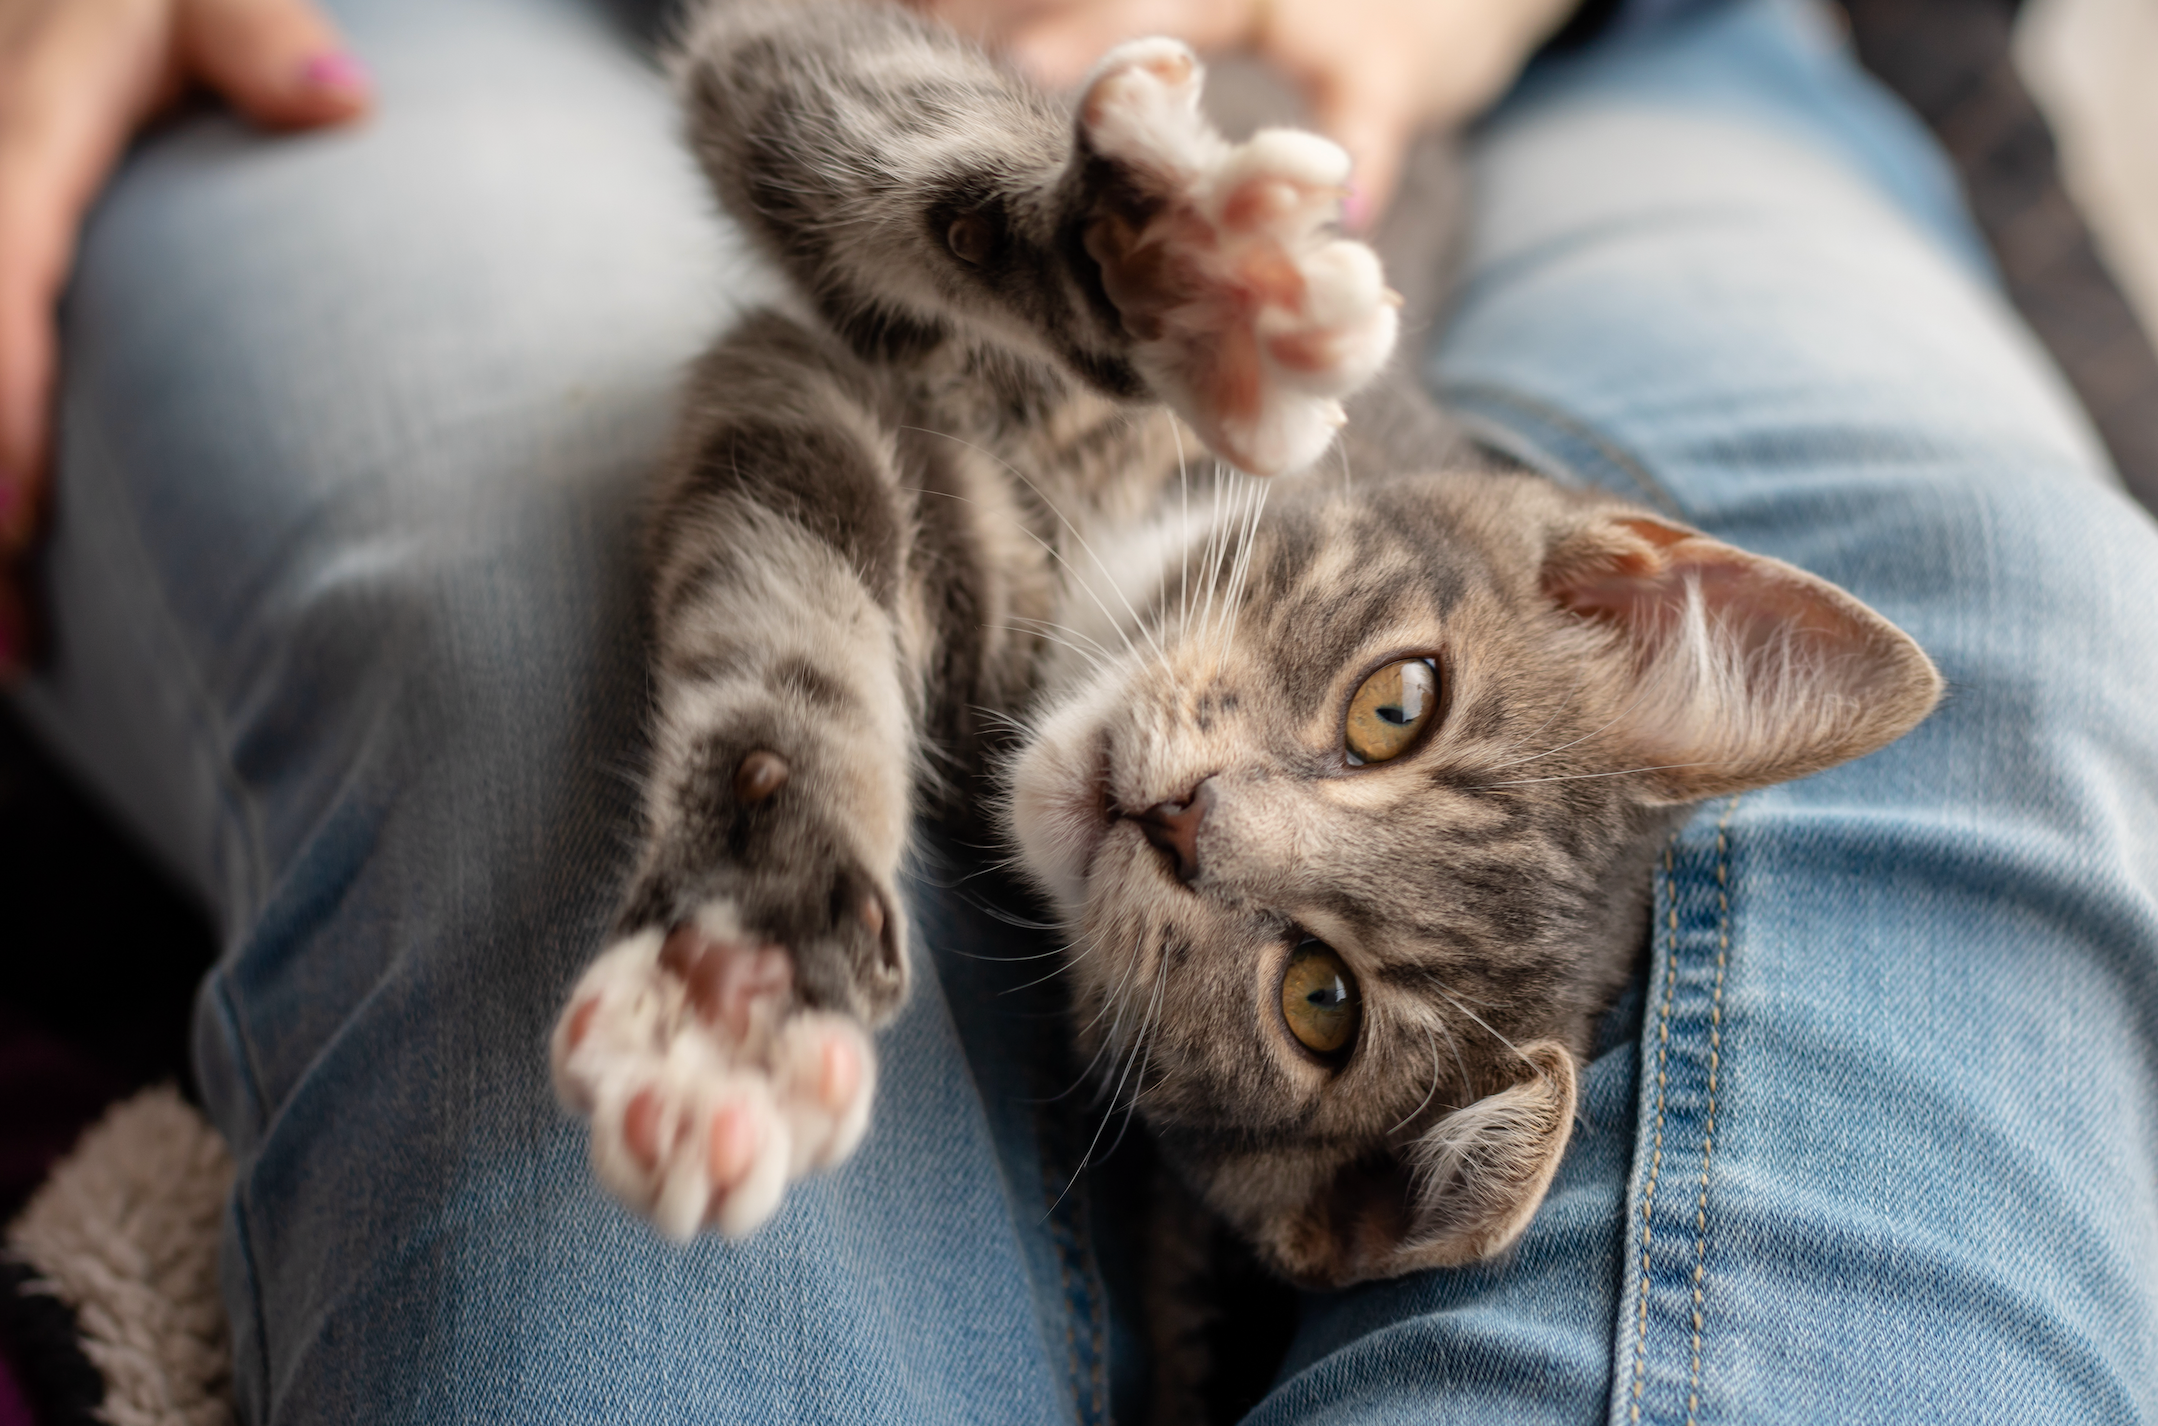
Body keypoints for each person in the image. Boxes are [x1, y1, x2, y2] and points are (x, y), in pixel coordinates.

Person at [5, 0, 2156, 1419]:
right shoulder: (1304, 514)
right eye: (1390, 717)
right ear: (1586, 578)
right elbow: (792, 171)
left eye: (1316, 998)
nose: (1233, 830)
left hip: (1632, 52)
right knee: (517, 676)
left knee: (2030, 613)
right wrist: (1078, 256)